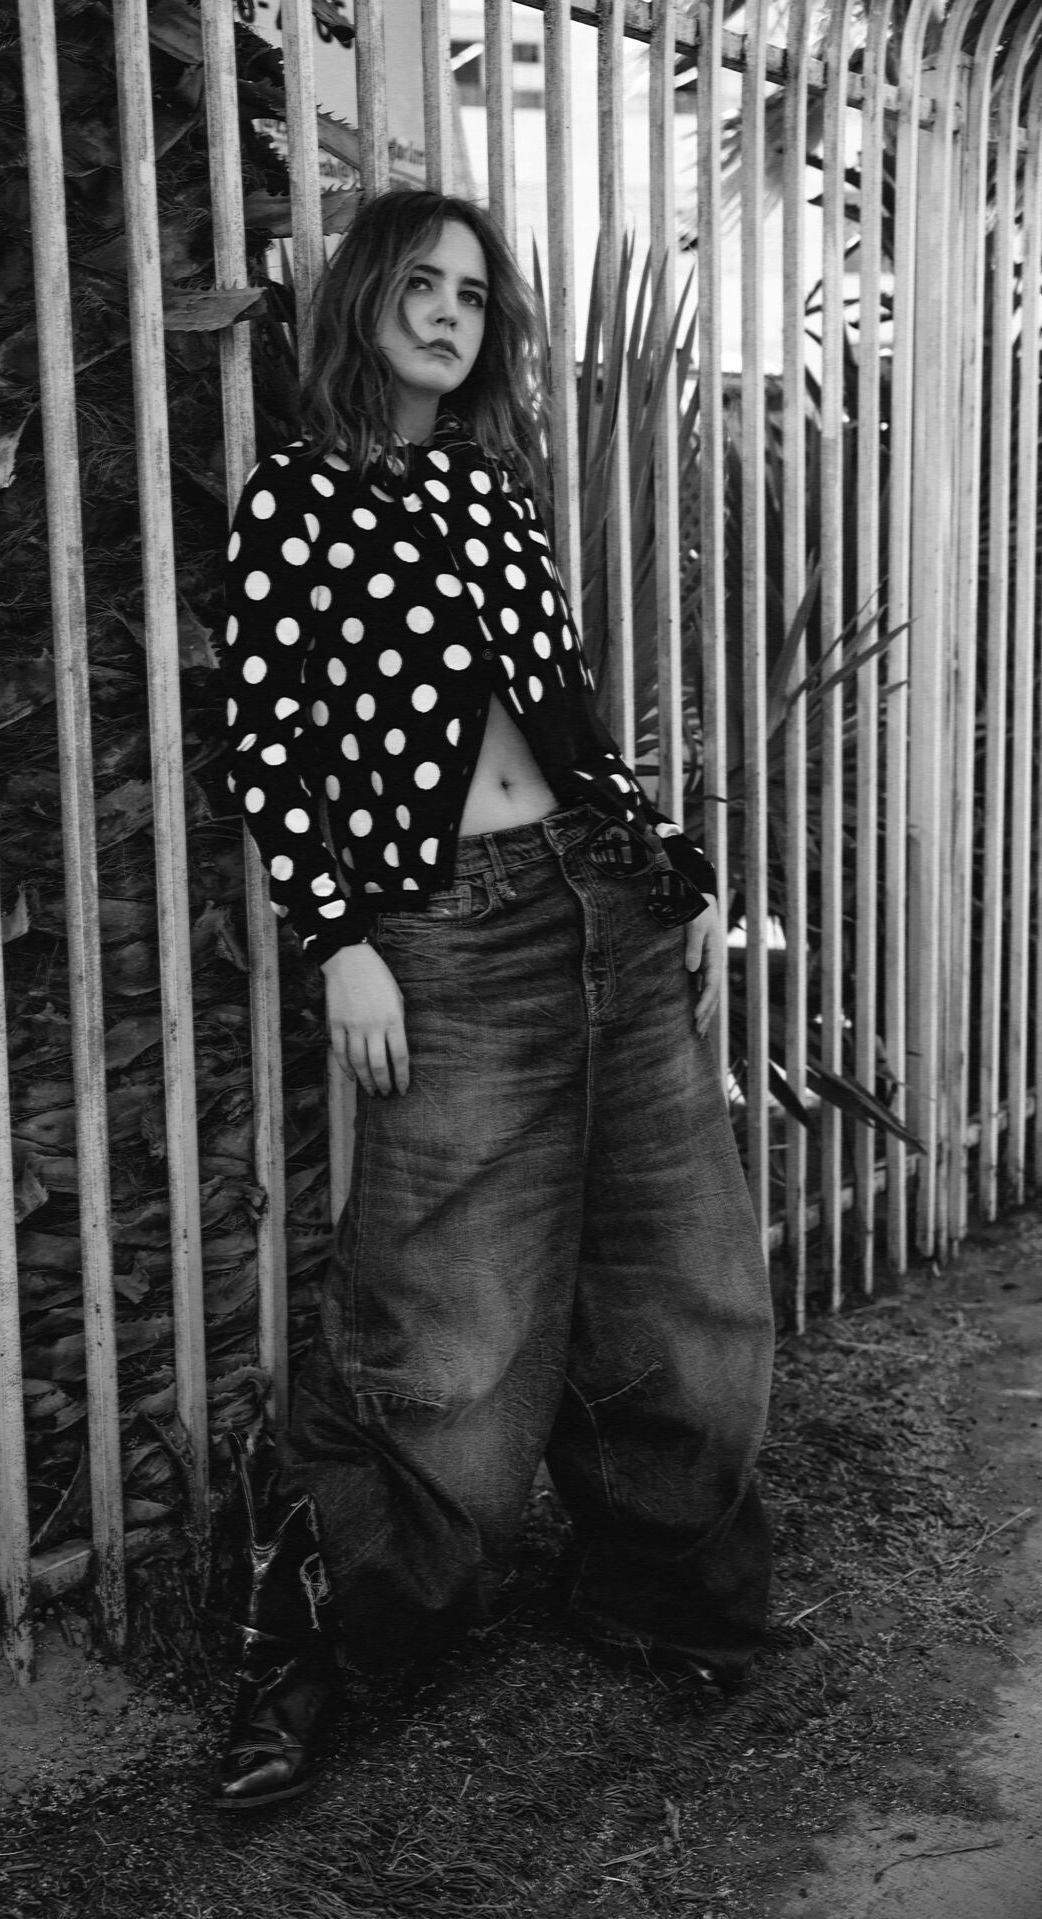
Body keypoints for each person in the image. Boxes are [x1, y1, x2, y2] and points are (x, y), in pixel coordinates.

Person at [215, 187, 774, 1811]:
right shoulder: (295, 499)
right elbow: (268, 742)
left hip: (599, 895)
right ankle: (323, 1640)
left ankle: (664, 1589)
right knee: (448, 1331)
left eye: (472, 294)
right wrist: (340, 941)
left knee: (686, 1280)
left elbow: (560, 703)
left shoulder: (491, 488)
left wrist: (663, 873)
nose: (450, 313)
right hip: (447, 932)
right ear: (363, 299)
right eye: (422, 283)